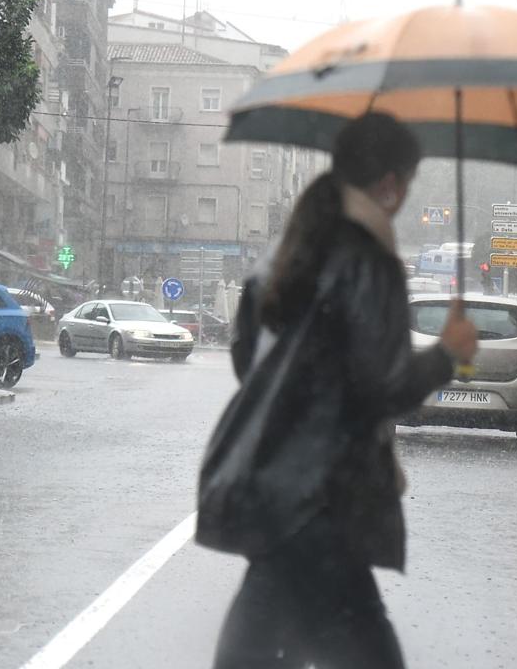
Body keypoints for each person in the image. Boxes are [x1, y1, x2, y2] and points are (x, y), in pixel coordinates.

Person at [198, 113, 479, 669]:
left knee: (256, 648)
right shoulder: (370, 263)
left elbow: (245, 361)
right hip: (324, 499)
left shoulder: (287, 252)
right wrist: (448, 353)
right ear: (392, 184)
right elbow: (382, 390)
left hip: (271, 485)